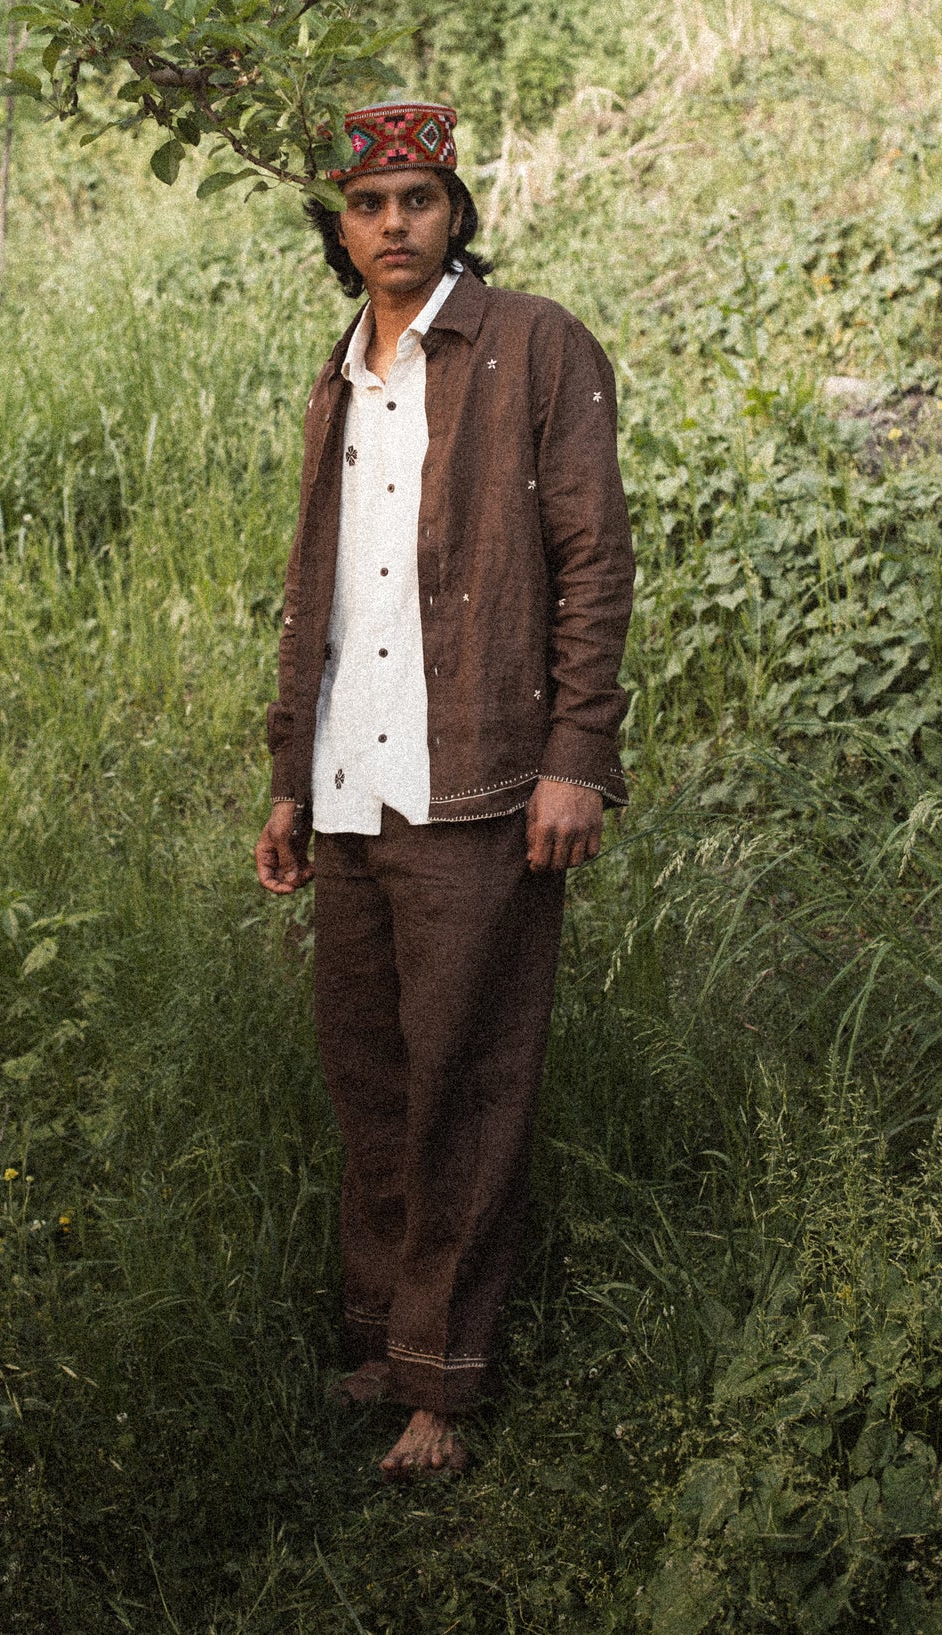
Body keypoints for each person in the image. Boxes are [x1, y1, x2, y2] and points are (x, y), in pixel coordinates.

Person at [255, 99, 635, 1478]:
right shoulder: (344, 371)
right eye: (370, 205)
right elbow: (319, 586)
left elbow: (593, 558)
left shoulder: (534, 345)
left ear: (458, 213)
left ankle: (445, 1388)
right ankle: (385, 1339)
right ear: (340, 229)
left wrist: (573, 757)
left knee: (466, 1077)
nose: (395, 225)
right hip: (351, 775)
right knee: (370, 1073)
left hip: (477, 772)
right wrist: (289, 773)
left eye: (420, 199)